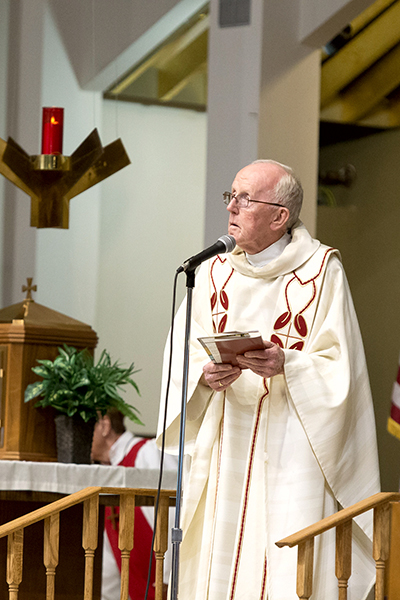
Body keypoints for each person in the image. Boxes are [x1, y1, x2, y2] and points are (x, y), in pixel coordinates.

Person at [157, 160, 380, 600]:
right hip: (225, 443)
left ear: (280, 216)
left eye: (245, 199)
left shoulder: (321, 271)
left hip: (292, 446)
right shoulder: (212, 272)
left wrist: (289, 365)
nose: (232, 209)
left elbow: (343, 368)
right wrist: (205, 376)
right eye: (230, 196)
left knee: (281, 562)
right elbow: (180, 353)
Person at [91, 409, 177, 600]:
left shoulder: (147, 452)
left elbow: (173, 515)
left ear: (105, 426)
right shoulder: (107, 473)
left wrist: (169, 576)